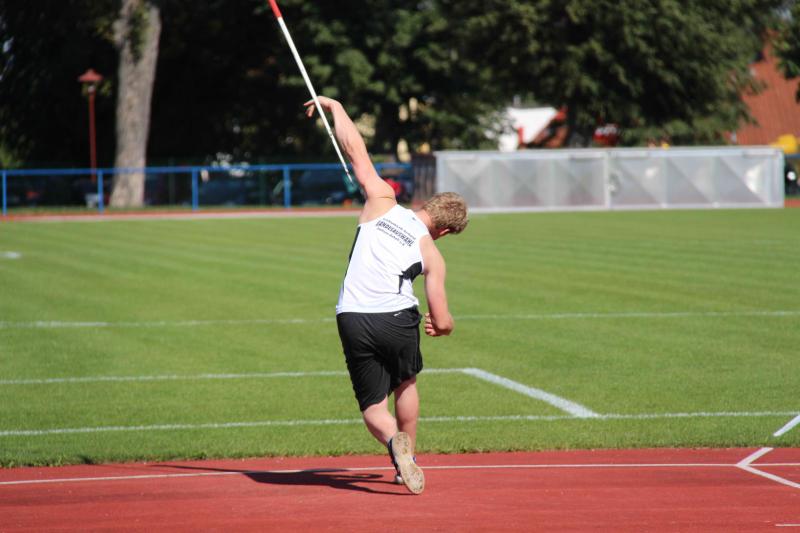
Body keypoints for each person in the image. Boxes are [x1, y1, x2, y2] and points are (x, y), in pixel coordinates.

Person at [304, 96, 468, 495]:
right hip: (397, 318)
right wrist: (444, 327)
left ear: (426, 206)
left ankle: (395, 444)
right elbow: (441, 318)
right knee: (406, 384)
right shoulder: (432, 253)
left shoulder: (381, 198)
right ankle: (407, 458)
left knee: (373, 407)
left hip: (353, 316)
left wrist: (336, 107)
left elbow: (354, 148)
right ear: (445, 231)